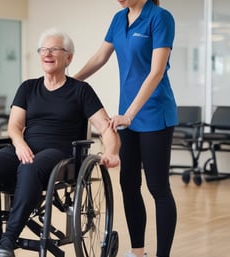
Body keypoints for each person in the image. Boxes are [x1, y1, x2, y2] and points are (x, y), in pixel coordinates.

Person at [0, 28, 120, 257]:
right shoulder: (28, 87)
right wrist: (19, 143)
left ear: (68, 57)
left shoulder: (80, 91)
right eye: (43, 49)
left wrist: (112, 151)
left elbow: (105, 128)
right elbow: (14, 126)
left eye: (55, 49)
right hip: (25, 148)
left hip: (61, 155)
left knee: (30, 166)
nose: (48, 54)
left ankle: (8, 240)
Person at [74, 1, 177, 257]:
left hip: (155, 114)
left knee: (158, 188)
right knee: (128, 184)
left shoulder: (160, 17)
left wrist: (130, 114)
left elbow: (156, 71)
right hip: (126, 117)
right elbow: (100, 57)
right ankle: (137, 252)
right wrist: (71, 83)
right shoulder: (119, 19)